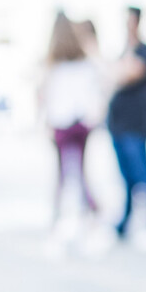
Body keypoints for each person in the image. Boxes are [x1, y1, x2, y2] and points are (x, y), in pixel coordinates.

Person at [41, 13, 107, 229]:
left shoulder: (52, 64)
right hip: (80, 122)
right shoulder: (83, 62)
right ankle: (88, 208)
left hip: (61, 123)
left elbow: (46, 94)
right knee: (80, 168)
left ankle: (60, 212)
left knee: (62, 171)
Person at [108, 6, 146, 243]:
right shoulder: (122, 53)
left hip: (135, 124)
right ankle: (126, 220)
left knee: (142, 174)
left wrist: (115, 72)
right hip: (116, 124)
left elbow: (123, 76)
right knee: (126, 176)